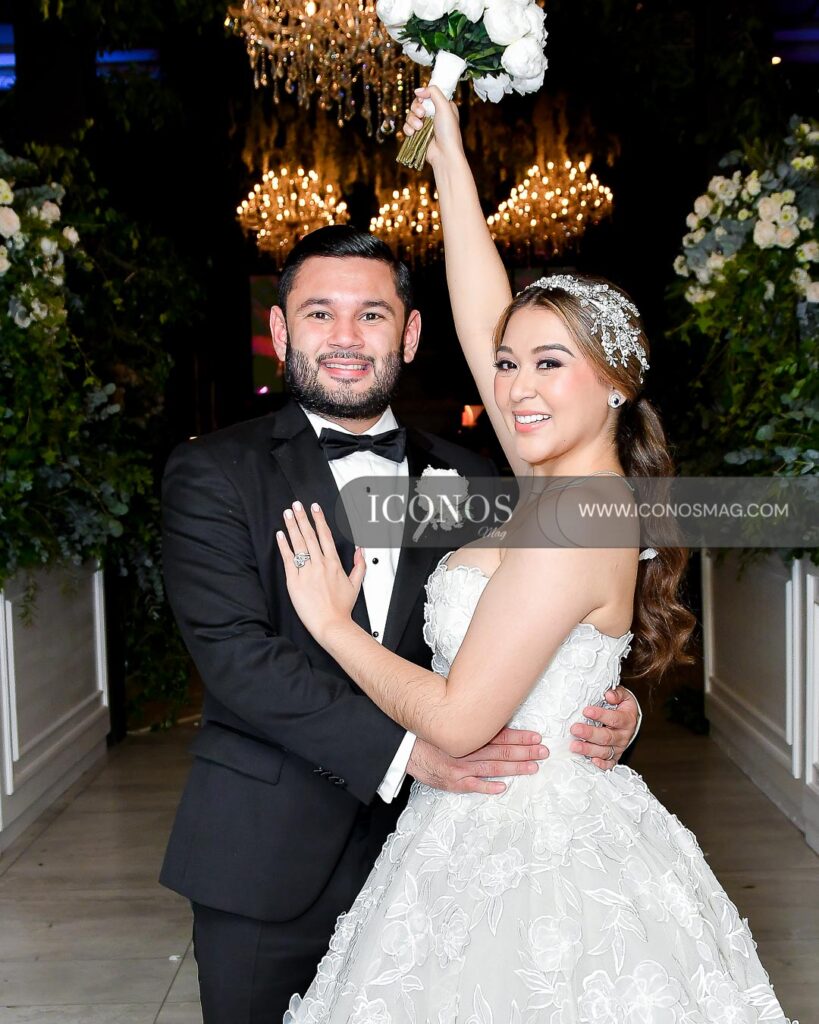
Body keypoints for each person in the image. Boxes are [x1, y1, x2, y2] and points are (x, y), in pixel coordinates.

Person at [275, 90, 795, 1021]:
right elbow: (485, 316)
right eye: (509, 365)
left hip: (530, 854)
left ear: (612, 389)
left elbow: (461, 719)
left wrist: (331, 624)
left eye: (548, 364)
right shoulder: (566, 484)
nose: (512, 385)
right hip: (487, 827)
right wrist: (448, 156)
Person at [158, 225, 643, 1022]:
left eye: (372, 315)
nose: (345, 338)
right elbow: (236, 659)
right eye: (319, 314)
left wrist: (606, 708)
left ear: (410, 334)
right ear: (280, 331)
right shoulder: (214, 470)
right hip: (267, 855)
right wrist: (410, 754)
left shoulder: (474, 475)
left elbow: (560, 608)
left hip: (448, 861)